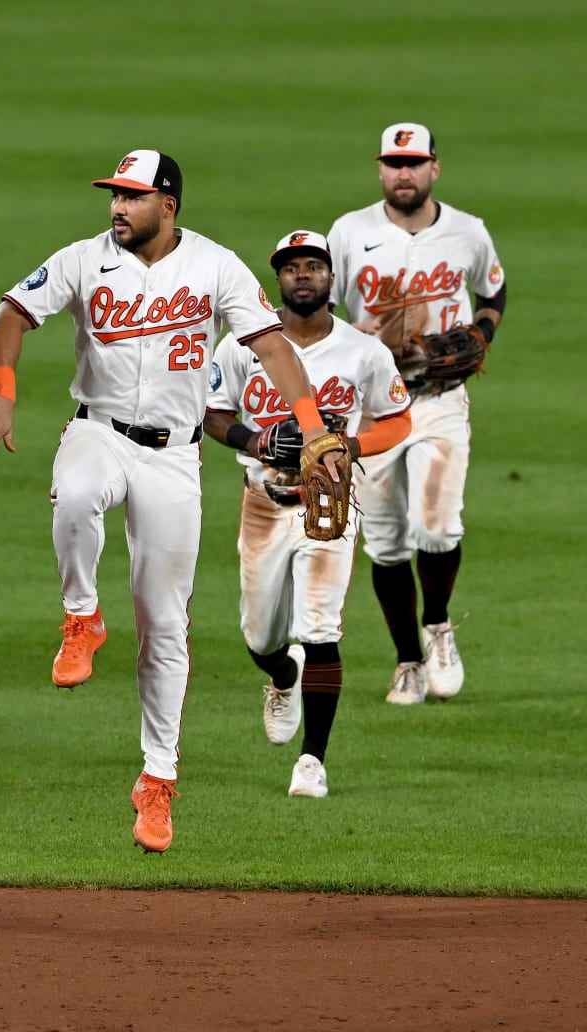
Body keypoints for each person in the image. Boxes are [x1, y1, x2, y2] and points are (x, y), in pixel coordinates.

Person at [0, 150, 331, 852]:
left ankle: (157, 781)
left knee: (165, 625)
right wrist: (4, 390)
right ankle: (81, 617)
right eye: (113, 195)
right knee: (75, 492)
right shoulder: (83, 259)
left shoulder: (215, 266)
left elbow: (274, 348)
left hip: (174, 457)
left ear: (167, 206)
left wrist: (314, 428)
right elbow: (7, 318)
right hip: (98, 431)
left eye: (132, 197)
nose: (116, 207)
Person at [204, 231, 412, 798]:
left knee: (321, 627)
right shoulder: (241, 345)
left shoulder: (363, 350)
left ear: (331, 279)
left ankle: (312, 762)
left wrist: (351, 448)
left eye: (313, 266)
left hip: (331, 506)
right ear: (278, 280)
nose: (302, 275)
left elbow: (397, 418)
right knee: (260, 635)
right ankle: (281, 676)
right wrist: (256, 442)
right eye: (291, 267)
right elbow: (212, 412)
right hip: (262, 506)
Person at [326, 122, 507, 705]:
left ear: (435, 168)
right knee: (383, 541)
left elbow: (494, 291)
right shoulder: (349, 233)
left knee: (437, 526)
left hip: (438, 402)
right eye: (393, 162)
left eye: (415, 162)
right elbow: (316, 310)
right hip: (373, 409)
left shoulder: (467, 232)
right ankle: (407, 661)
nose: (404, 173)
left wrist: (480, 332)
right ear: (380, 170)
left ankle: (439, 628)